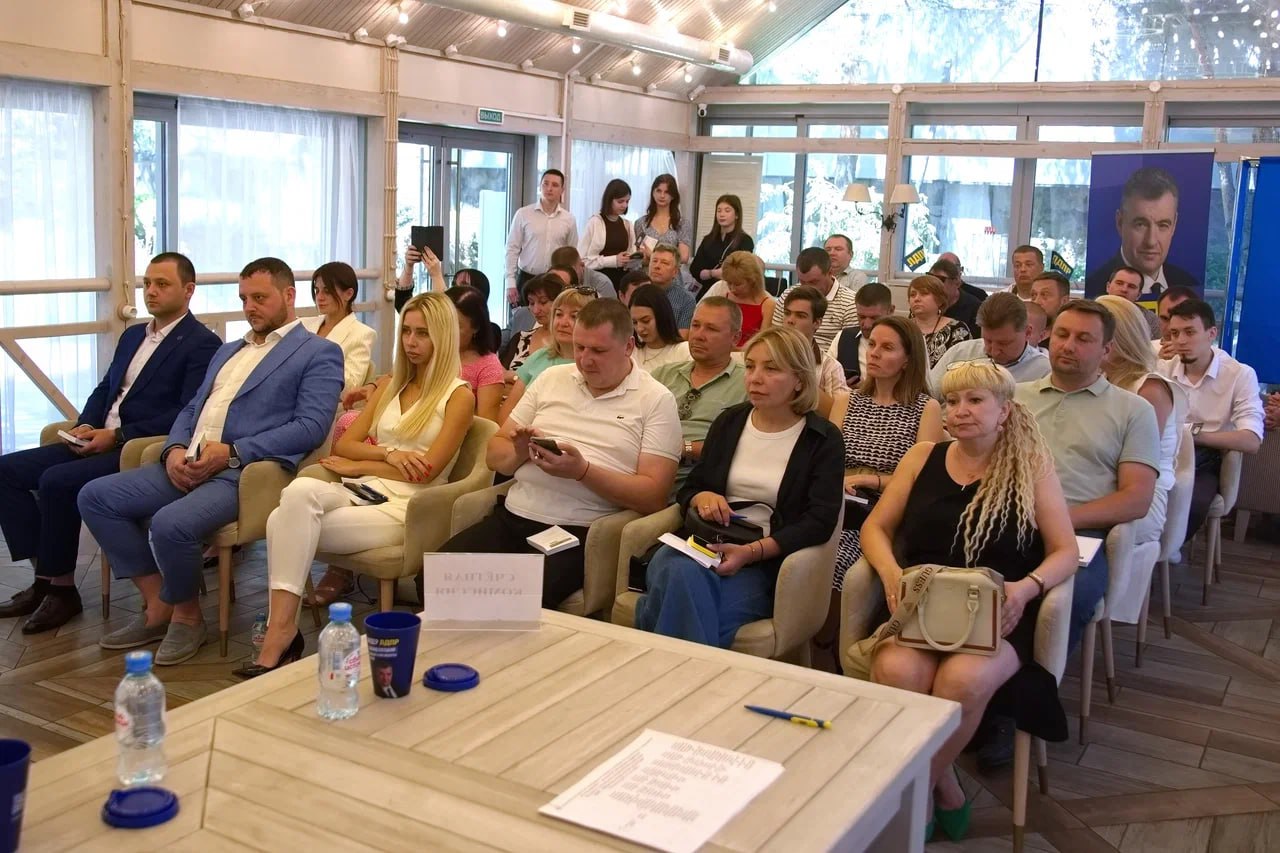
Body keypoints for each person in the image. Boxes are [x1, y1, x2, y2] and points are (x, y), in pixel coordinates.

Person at [77, 257, 344, 665]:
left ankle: (187, 617)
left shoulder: (318, 352)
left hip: (244, 474)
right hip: (190, 461)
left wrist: (234, 452)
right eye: (243, 298)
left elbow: (310, 427)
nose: (249, 307)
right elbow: (191, 408)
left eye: (259, 298)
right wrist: (173, 449)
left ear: (289, 295)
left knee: (170, 524)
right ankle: (159, 605)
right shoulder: (229, 350)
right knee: (95, 497)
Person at [863, 361, 1077, 841]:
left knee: (962, 678)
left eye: (975, 400)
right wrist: (891, 574)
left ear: (1005, 411)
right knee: (898, 671)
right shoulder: (922, 457)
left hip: (999, 610)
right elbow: (876, 527)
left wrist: (1027, 588)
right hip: (921, 603)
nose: (960, 410)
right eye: (952, 401)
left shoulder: (1030, 465)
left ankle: (911, 794)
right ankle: (942, 785)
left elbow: (1066, 550)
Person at [235, 292, 473, 678]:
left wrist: (359, 464)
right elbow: (344, 442)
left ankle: (279, 634)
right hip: (366, 489)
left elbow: (425, 472)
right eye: (407, 331)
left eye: (422, 334)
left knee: (281, 521)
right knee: (297, 494)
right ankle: (282, 629)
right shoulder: (392, 385)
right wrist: (389, 455)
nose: (411, 342)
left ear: (443, 337)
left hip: (410, 507)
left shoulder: (459, 396)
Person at [0, 253, 220, 634]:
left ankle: (62, 590)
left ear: (188, 290)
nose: (151, 291)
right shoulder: (133, 334)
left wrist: (115, 436)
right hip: (97, 436)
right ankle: (44, 578)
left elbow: (185, 412)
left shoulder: (202, 343)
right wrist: (86, 424)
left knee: (56, 481)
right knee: (6, 471)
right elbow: (106, 388)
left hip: (135, 447)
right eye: (147, 283)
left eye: (162, 284)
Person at [436, 298, 681, 608]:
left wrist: (582, 472)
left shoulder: (655, 400)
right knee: (435, 580)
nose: (585, 360)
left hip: (579, 531)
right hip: (514, 516)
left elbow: (654, 496)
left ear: (628, 346)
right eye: (579, 348)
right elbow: (494, 456)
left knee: (506, 601)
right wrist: (520, 451)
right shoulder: (552, 379)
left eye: (598, 351)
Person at [634, 327, 843, 647]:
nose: (755, 378)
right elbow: (691, 487)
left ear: (800, 380)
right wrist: (703, 496)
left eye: (771, 369)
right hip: (700, 546)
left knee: (680, 596)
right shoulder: (730, 422)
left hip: (762, 563)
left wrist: (750, 553)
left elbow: (819, 522)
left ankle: (654, 637)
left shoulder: (822, 439)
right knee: (682, 574)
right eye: (750, 366)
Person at [1016, 299, 1160, 653]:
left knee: (1070, 599)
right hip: (1010, 520)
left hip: (1081, 528)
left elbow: (1137, 499)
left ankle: (1031, 677)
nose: (1068, 345)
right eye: (1062, 334)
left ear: (1106, 350)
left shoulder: (1134, 410)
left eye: (1083, 339)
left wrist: (1057, 518)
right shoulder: (1015, 398)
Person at [813, 315, 943, 667]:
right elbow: (827, 461)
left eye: (887, 348)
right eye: (872, 345)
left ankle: (828, 647)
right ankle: (810, 640)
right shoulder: (847, 401)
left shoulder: (924, 407)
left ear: (908, 359)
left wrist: (873, 481)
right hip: (840, 498)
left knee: (836, 557)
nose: (874, 353)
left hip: (887, 508)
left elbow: (924, 478)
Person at [1157, 299, 1264, 541]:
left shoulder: (1239, 374)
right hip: (1164, 452)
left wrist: (1192, 436)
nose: (1180, 341)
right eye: (1175, 333)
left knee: (1191, 501)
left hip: (1208, 457)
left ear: (1211, 333)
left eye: (1190, 332)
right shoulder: (1162, 370)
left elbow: (1251, 440)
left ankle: (1165, 550)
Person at [1097, 295, 1177, 544]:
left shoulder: (1150, 389)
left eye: (1086, 337)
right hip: (1100, 480)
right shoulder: (1099, 378)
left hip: (1142, 494)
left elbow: (1135, 462)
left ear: (1115, 341)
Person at [651, 298, 748, 491]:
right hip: (641, 471)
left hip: (696, 487)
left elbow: (744, 450)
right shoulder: (662, 374)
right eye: (695, 325)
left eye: (711, 329)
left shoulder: (748, 384)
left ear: (735, 338)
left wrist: (684, 448)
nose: (699, 335)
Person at [1085, 166, 1200, 297]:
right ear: (1120, 222)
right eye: (1140, 225)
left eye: (1163, 225)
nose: (1151, 242)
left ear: (1174, 225)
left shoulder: (1188, 285)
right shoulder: (1094, 288)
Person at [498, 286, 596, 423]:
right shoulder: (539, 357)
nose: (563, 323)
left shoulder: (594, 366)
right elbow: (506, 415)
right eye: (559, 314)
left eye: (574, 316)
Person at [928, 294, 1051, 397]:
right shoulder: (961, 352)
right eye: (988, 341)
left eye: (1004, 343)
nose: (994, 351)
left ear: (1028, 333)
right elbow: (927, 396)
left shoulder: (1044, 372)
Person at [301, 262, 377, 399]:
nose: (319, 297)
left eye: (327, 291)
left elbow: (350, 386)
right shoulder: (303, 325)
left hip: (324, 402)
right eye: (317, 290)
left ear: (348, 294)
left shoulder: (362, 334)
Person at [505, 168, 578, 306]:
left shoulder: (569, 219)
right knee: (522, 317)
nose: (549, 188)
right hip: (527, 278)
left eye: (555, 185)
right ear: (540, 186)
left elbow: (572, 253)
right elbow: (512, 249)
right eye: (546, 183)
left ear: (562, 190)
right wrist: (510, 282)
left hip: (556, 282)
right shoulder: (523, 214)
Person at [771, 247, 860, 351]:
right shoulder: (788, 295)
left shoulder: (850, 304)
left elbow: (847, 350)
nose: (807, 287)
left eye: (813, 282)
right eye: (802, 282)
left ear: (830, 273)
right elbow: (775, 336)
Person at [780, 285, 847, 413]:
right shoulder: (765, 355)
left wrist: (802, 377)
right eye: (787, 313)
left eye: (800, 316)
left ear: (817, 323)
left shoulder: (830, 367)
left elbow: (838, 414)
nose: (790, 320)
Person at [446, 286, 503, 422]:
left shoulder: (488, 366)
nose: (446, 331)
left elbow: (486, 424)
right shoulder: (429, 352)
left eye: (456, 325)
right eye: (442, 322)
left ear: (476, 327)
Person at [634, 174, 693, 290]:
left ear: (673, 196)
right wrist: (645, 257)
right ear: (653, 193)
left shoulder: (682, 223)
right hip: (647, 280)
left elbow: (683, 257)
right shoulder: (641, 223)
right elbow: (639, 257)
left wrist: (653, 255)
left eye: (666, 192)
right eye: (658, 191)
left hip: (672, 281)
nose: (662, 195)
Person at [828, 282, 894, 386]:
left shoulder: (906, 342)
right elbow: (826, 378)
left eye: (874, 318)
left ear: (890, 311)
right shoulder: (843, 338)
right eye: (861, 317)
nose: (867, 325)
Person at [690, 194, 754, 299]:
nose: (722, 214)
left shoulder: (745, 241)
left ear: (737, 215)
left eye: (727, 211)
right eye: (719, 211)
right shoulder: (708, 239)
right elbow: (694, 269)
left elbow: (742, 271)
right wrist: (713, 273)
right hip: (707, 293)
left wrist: (712, 273)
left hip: (732, 294)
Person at [500, 273, 563, 377]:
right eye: (531, 303)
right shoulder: (520, 338)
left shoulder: (567, 342)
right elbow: (501, 375)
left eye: (543, 302)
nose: (536, 310)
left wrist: (513, 377)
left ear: (560, 302)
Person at [578, 178, 634, 291]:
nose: (624, 205)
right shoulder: (595, 222)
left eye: (627, 201)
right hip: (599, 282)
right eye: (620, 201)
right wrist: (614, 260)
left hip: (622, 280)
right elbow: (582, 261)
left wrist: (633, 259)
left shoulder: (627, 224)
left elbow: (631, 254)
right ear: (609, 200)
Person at [908, 275, 971, 367]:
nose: (916, 299)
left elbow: (963, 368)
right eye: (912, 295)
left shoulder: (957, 330)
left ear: (940, 300)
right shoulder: (901, 328)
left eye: (924, 293)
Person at [630, 284, 690, 373]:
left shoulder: (684, 351)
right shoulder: (631, 351)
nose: (639, 329)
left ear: (662, 316)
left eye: (645, 321)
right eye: (635, 322)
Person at [718, 251, 775, 346]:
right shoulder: (724, 298)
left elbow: (762, 342)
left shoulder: (768, 304)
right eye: (729, 283)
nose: (732, 289)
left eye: (738, 284)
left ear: (753, 281)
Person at [1105, 265, 1161, 339]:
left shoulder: (1150, 319)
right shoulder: (1092, 312)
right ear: (1108, 287)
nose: (1124, 289)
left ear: (1138, 295)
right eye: (1119, 283)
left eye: (1131, 286)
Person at [649, 243, 696, 332]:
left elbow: (682, 336)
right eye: (654, 261)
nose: (657, 266)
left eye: (664, 263)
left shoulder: (686, 300)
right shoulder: (637, 292)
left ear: (675, 272)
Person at [929, 258, 981, 336]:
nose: (934, 285)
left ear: (957, 282)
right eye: (931, 279)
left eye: (940, 280)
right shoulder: (926, 302)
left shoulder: (975, 308)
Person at [550, 245, 617, 299]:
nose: (565, 282)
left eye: (571, 273)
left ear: (582, 265)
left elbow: (611, 310)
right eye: (558, 277)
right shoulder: (551, 282)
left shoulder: (602, 283)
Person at [1029, 271, 1071, 347]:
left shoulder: (1068, 343)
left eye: (1044, 295)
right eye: (1033, 295)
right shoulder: (1021, 336)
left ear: (1064, 301)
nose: (1036, 301)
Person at [1154, 285, 1197, 359]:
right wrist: (1158, 361)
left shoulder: (1215, 358)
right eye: (1165, 318)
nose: (1170, 328)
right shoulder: (1145, 351)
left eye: (1180, 320)